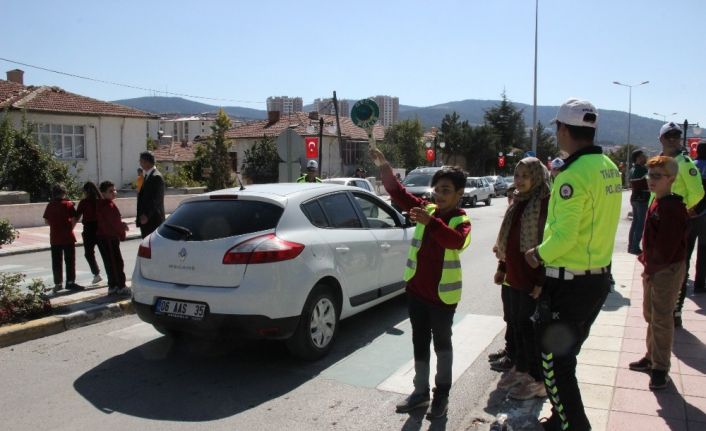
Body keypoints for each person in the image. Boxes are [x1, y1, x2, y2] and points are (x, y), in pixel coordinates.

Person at [524, 98, 622, 431]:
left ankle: (574, 426)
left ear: (563, 129)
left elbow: (564, 237)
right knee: (567, 359)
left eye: (557, 128)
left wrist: (537, 254)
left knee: (554, 365)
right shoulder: (608, 166)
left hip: (569, 284)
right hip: (595, 279)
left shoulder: (573, 175)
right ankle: (559, 418)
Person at [370, 147, 471, 420]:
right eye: (437, 189)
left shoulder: (460, 219)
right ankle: (420, 393)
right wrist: (384, 165)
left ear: (459, 194)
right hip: (416, 294)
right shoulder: (427, 208)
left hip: (442, 299)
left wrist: (432, 221)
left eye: (446, 190)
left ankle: (442, 396)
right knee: (418, 343)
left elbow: (455, 241)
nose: (438, 194)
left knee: (443, 347)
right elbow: (399, 194)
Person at [629, 156, 688, 390]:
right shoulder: (658, 201)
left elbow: (667, 248)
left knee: (662, 319)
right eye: (649, 175)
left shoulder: (672, 207)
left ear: (671, 179)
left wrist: (651, 268)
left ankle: (660, 368)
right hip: (654, 268)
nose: (651, 181)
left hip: (666, 270)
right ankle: (651, 356)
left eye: (657, 176)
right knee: (651, 315)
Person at [494, 157, 551, 400]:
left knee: (530, 329)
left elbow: (548, 245)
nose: (518, 181)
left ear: (536, 177)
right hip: (515, 274)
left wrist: (541, 281)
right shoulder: (518, 200)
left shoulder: (545, 203)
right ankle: (521, 368)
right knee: (516, 323)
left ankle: (538, 379)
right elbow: (508, 239)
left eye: (524, 176)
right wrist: (502, 267)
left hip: (532, 277)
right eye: (516, 175)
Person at [656, 122, 705, 327]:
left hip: (677, 226)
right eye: (669, 136)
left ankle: (675, 311)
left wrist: (685, 215)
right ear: (661, 139)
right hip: (660, 225)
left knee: (678, 267)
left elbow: (699, 195)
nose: (673, 139)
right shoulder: (659, 162)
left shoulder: (684, 162)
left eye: (676, 136)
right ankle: (664, 308)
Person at [43, 183, 83, 293]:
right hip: (68, 237)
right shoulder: (68, 204)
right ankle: (70, 282)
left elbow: (46, 221)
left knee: (56, 261)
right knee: (70, 260)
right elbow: (75, 218)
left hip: (55, 237)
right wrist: (70, 227)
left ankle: (58, 283)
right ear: (64, 193)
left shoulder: (50, 205)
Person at [97, 181, 130, 296]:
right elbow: (114, 224)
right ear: (103, 193)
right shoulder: (107, 206)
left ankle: (113, 285)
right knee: (116, 262)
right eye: (110, 191)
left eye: (114, 190)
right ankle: (120, 286)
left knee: (110, 263)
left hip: (105, 238)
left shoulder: (104, 204)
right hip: (109, 238)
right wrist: (122, 228)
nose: (114, 193)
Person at [76, 181, 103, 284]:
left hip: (89, 229)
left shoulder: (84, 202)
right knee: (105, 253)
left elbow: (77, 216)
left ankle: (96, 273)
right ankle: (112, 275)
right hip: (100, 228)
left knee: (89, 253)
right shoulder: (101, 201)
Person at [688, 141, 706, 294]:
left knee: (686, 248)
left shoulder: (691, 165)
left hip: (689, 213)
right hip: (704, 215)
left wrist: (692, 208)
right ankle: (700, 284)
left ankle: (681, 280)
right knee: (703, 250)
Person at [136, 151, 165, 238]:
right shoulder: (147, 176)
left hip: (152, 220)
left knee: (152, 247)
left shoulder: (156, 177)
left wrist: (147, 215)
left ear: (147, 162)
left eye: (141, 161)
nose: (140, 163)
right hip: (146, 220)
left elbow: (156, 199)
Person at [628, 150, 649, 255]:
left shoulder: (632, 169)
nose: (645, 157)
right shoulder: (642, 170)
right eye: (642, 156)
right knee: (640, 223)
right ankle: (635, 247)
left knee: (635, 222)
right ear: (637, 158)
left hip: (635, 198)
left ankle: (631, 246)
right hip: (642, 199)